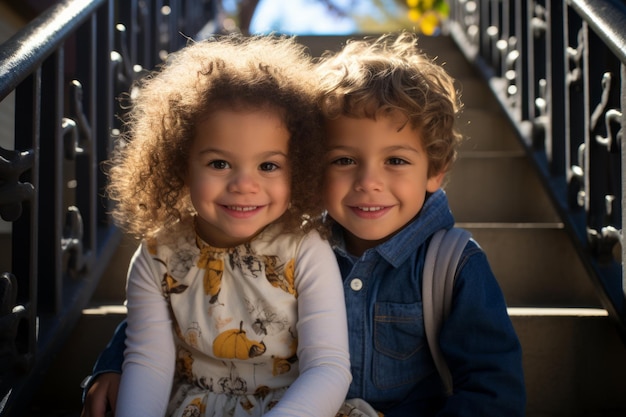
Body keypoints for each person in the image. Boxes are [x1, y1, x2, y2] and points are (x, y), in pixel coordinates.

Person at [82, 32, 526, 417]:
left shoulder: (450, 266)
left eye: (395, 160)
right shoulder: (290, 236)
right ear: (314, 165)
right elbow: (186, 308)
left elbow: (492, 389)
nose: (369, 182)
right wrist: (113, 361)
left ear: (436, 170)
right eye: (344, 160)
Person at [90, 34, 353, 417]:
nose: (244, 185)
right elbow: (148, 363)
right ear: (181, 164)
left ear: (299, 167)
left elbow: (327, 368)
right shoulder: (156, 256)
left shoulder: (304, 248)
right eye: (219, 164)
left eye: (268, 165)